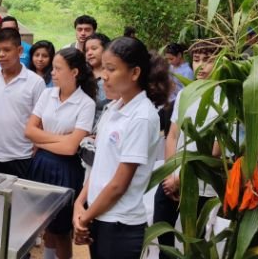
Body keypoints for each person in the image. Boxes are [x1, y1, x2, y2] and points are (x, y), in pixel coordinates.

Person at [72, 37, 171, 259]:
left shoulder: (141, 117)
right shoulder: (114, 108)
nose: (103, 75)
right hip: (99, 215)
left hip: (119, 225)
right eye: (103, 68)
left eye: (111, 69)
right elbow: (101, 165)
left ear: (134, 73)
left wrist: (85, 217)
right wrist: (80, 203)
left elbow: (119, 184)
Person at [154, 39, 225, 259]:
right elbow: (173, 135)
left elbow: (215, 150)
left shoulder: (227, 98)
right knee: (163, 237)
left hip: (203, 187)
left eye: (208, 60)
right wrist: (170, 174)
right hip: (172, 180)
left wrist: (181, 178)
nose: (201, 66)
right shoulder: (187, 93)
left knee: (194, 244)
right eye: (196, 60)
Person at [25, 48, 96, 259]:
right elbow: (29, 131)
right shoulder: (47, 94)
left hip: (66, 168)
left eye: (57, 69)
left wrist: (42, 139)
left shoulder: (86, 103)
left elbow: (70, 149)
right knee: (44, 224)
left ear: (74, 72)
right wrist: (63, 138)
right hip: (40, 164)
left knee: (62, 230)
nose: (52, 73)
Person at [0, 28, 45, 178]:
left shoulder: (36, 82)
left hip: (21, 156)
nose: (1, 54)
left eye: (7, 50)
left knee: (16, 200)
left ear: (19, 51)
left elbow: (40, 121)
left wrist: (36, 147)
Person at [79, 33, 112, 176]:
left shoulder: (111, 79)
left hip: (100, 141)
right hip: (76, 137)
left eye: (94, 48)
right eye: (87, 50)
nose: (90, 53)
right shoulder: (81, 75)